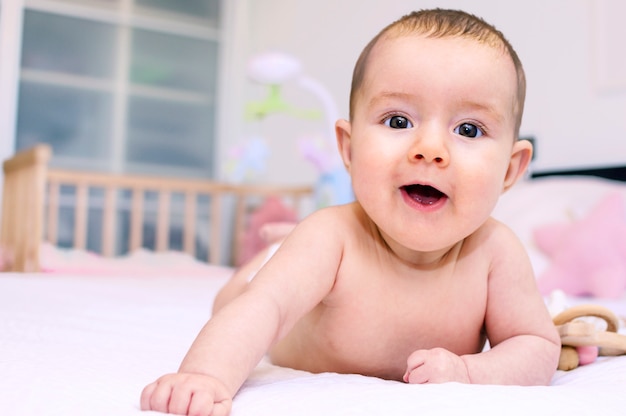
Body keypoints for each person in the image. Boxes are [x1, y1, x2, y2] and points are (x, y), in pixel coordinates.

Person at [141, 9, 561, 416]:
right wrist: (205, 377)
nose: (430, 149)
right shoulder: (334, 238)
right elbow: (263, 308)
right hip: (288, 278)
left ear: (510, 169)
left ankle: (285, 245)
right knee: (238, 298)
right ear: (349, 147)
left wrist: (469, 372)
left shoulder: (495, 251)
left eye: (468, 129)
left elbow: (537, 345)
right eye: (398, 121)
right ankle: (276, 251)